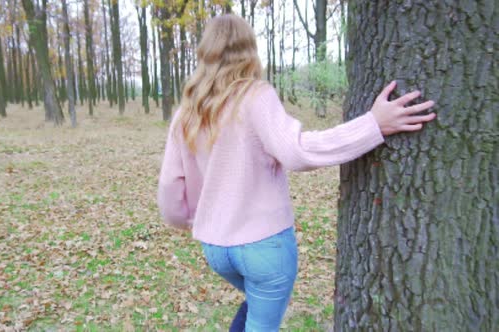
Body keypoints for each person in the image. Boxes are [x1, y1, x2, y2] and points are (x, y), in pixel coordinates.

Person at [157, 14, 436, 332]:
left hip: (216, 249)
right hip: (265, 249)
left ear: (205, 53)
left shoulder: (187, 112)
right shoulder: (255, 96)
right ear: (249, 50)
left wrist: (190, 221)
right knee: (261, 313)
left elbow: (170, 187)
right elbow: (297, 152)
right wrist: (372, 125)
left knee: (256, 307)